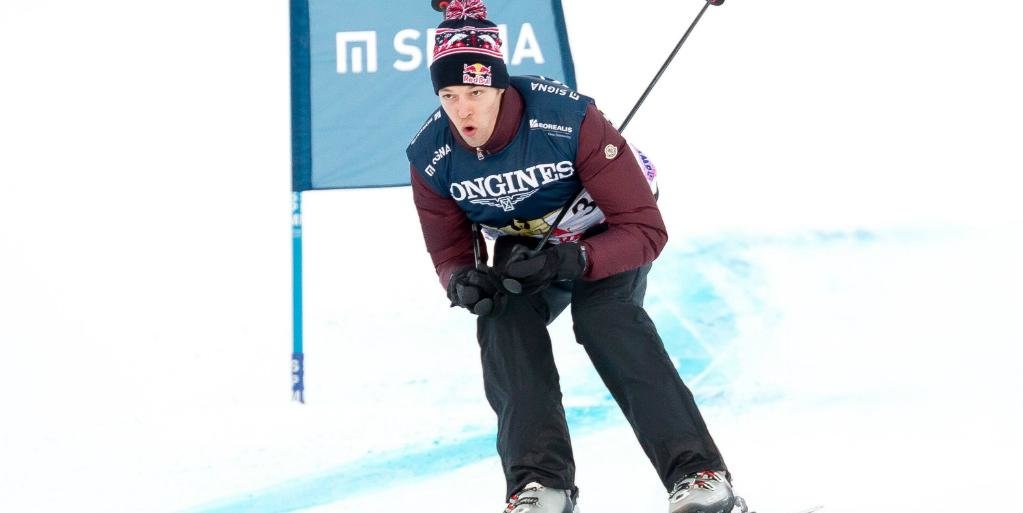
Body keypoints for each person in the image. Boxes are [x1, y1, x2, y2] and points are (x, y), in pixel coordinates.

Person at [407, 1, 735, 512]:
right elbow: (449, 251)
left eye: (475, 93)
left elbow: (645, 229)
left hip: (607, 227)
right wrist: (464, 281)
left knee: (606, 319)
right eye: (449, 96)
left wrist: (574, 259)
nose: (463, 111)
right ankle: (540, 485)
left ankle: (698, 474)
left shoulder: (568, 120)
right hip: (529, 243)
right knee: (502, 319)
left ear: (500, 87)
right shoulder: (432, 155)